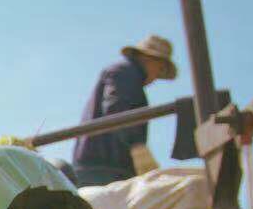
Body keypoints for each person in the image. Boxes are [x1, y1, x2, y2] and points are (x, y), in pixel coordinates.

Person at [70, 35, 179, 187]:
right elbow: (116, 108)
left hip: (104, 164)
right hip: (105, 164)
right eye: (159, 69)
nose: (156, 77)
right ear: (148, 59)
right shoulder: (125, 72)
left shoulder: (126, 75)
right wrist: (137, 145)